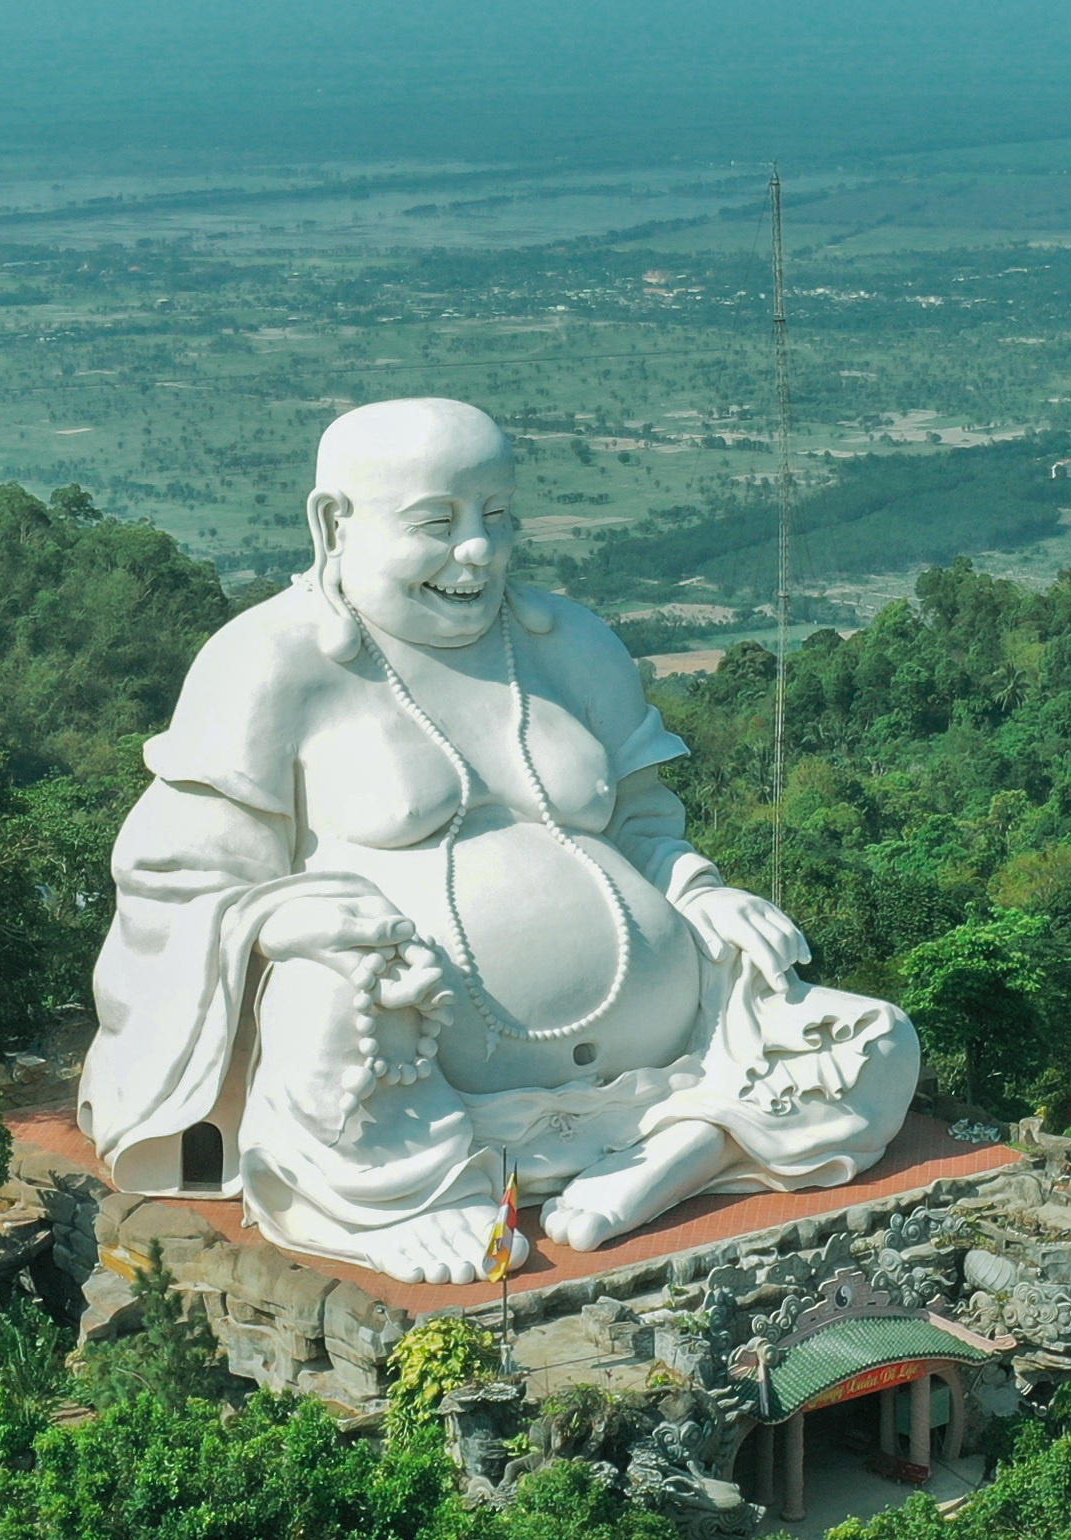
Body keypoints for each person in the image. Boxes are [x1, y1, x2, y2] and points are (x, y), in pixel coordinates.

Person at [77, 397, 921, 1278]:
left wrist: (702, 892)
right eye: (435, 524)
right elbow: (180, 878)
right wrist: (284, 921)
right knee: (319, 980)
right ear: (335, 523)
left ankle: (689, 1146)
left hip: (667, 1044)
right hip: (413, 1070)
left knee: (877, 1041)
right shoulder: (272, 662)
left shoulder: (571, 643)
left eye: (498, 515)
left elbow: (642, 828)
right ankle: (401, 1191)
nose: (478, 550)